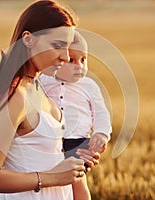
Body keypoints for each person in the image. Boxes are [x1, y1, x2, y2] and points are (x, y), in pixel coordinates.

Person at [0, 1, 100, 199]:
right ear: (28, 39)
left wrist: (73, 158)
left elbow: (42, 153)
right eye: (58, 45)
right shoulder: (15, 98)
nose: (66, 57)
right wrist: (53, 177)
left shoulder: (38, 86)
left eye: (67, 47)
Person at [40, 31, 112, 200]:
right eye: (71, 60)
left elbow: (101, 113)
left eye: (83, 59)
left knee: (77, 180)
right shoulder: (43, 81)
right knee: (53, 180)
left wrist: (101, 134)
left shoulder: (89, 86)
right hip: (50, 140)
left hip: (78, 142)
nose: (79, 65)